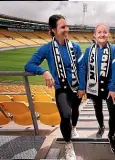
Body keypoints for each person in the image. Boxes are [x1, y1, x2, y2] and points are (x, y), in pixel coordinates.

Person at [24, 14, 85, 160]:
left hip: (76, 87)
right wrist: (44, 71)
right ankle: (68, 145)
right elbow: (29, 65)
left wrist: (82, 87)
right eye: (63, 27)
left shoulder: (75, 47)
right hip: (61, 88)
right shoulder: (46, 49)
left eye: (67, 26)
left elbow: (81, 67)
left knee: (75, 111)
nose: (66, 29)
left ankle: (74, 128)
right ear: (53, 30)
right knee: (65, 115)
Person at [82, 24, 115, 154]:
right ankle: (101, 126)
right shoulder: (88, 50)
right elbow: (84, 69)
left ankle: (112, 135)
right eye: (99, 32)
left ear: (108, 34)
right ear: (95, 35)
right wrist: (84, 88)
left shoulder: (114, 49)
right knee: (98, 110)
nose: (102, 34)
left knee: (114, 113)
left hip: (110, 88)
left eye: (105, 32)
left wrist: (112, 88)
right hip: (93, 88)